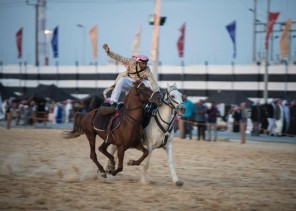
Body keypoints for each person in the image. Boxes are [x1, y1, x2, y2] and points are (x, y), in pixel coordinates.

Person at [102, 44, 160, 108]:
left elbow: (153, 82)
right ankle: (113, 101)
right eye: (143, 63)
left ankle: (150, 104)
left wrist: (157, 92)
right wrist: (109, 52)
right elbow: (120, 58)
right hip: (128, 80)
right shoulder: (132, 62)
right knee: (121, 80)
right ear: (138, 62)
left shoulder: (147, 70)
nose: (144, 65)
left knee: (150, 86)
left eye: (145, 64)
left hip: (138, 83)